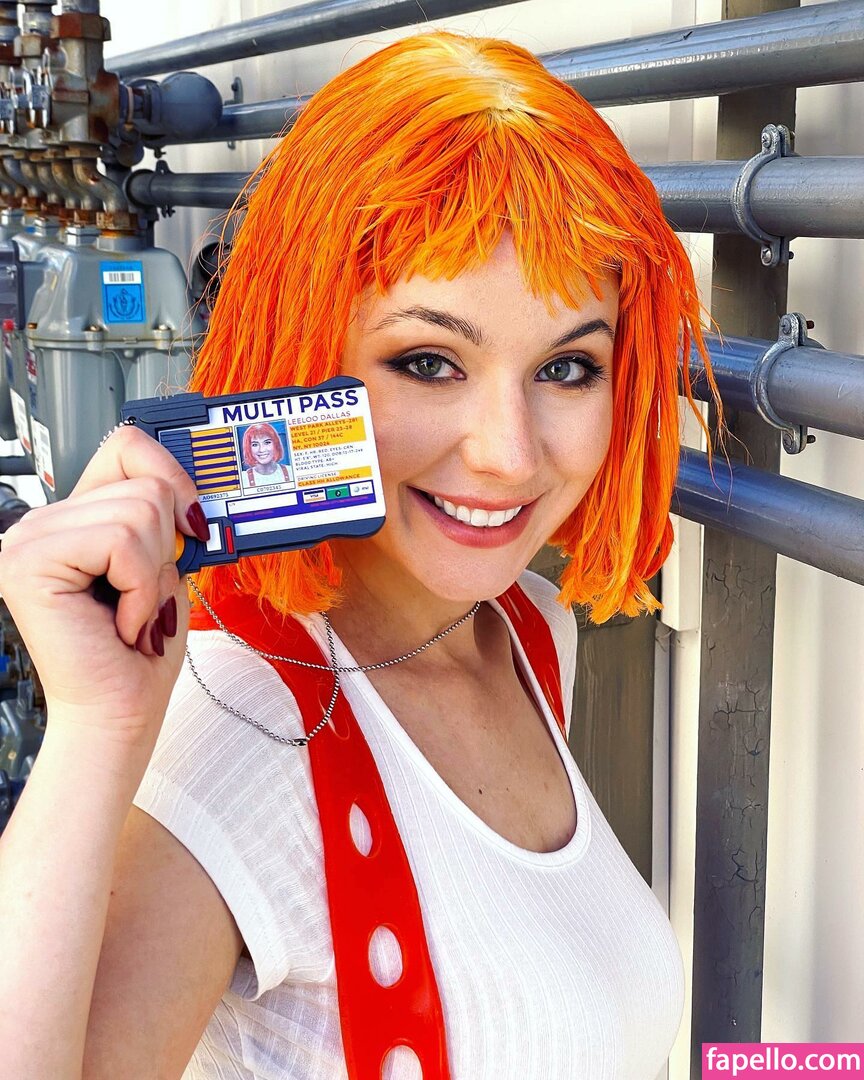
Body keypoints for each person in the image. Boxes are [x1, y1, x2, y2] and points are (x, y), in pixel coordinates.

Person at [0, 30, 719, 1080]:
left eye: (568, 368)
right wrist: (98, 730)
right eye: (428, 361)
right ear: (304, 356)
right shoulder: (233, 729)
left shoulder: (525, 628)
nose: (509, 454)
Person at [241, 421, 293, 487]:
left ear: (276, 444)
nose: (261, 449)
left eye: (267, 442)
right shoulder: (243, 479)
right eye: (255, 444)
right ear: (248, 448)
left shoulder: (291, 472)